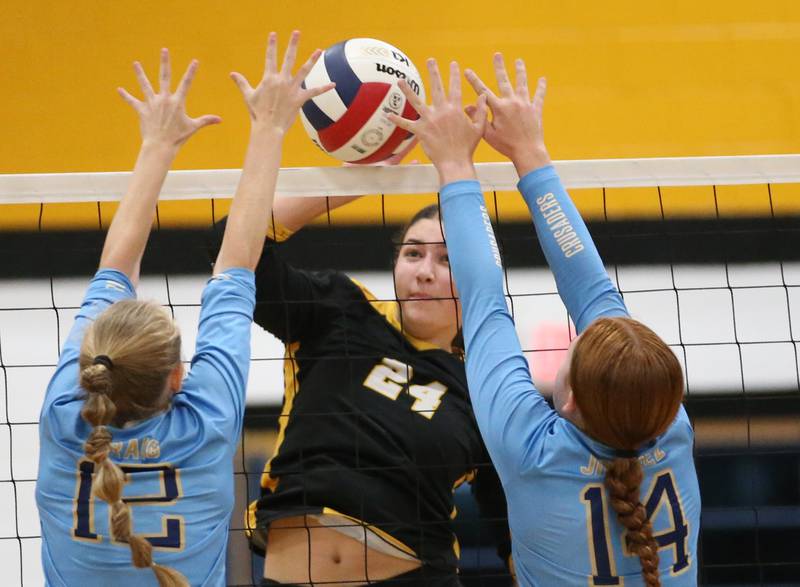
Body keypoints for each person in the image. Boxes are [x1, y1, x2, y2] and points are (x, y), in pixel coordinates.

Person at [388, 56, 701, 586]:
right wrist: (493, 162)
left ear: (573, 397)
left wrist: (482, 164)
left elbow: (492, 300)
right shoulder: (665, 426)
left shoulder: (537, 449)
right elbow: (500, 303)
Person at [35, 33, 332, 586]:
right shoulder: (202, 423)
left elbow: (226, 266)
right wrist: (261, 129)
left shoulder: (63, 415)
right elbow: (227, 263)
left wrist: (162, 146)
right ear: (177, 377)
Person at [237, 104, 511, 587]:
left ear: (480, 278)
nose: (425, 271)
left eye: (447, 260)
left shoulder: (487, 387)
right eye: (413, 253)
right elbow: (238, 253)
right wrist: (351, 181)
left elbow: (510, 525)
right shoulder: (340, 310)